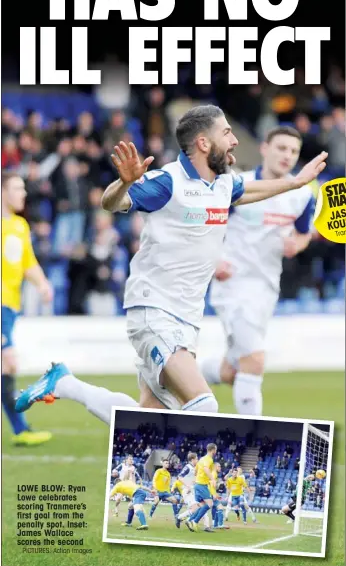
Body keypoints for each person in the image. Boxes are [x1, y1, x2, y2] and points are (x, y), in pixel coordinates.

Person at [15, 107, 328, 422]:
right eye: (227, 133)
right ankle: (250, 453)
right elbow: (112, 202)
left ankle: (65, 384)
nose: (234, 141)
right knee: (204, 405)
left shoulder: (222, 183)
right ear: (204, 143)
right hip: (155, 309)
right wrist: (123, 183)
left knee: (149, 419)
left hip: (187, 317)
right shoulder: (168, 182)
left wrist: (295, 183)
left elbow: (250, 190)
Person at [202, 125, 317, 416]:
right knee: (254, 361)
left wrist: (298, 245)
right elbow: (207, 225)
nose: (287, 155)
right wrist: (214, 260)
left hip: (266, 288)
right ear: (264, 148)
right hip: (233, 286)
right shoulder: (239, 185)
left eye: (293, 151)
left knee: (232, 372)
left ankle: (179, 376)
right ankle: (253, 444)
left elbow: (303, 233)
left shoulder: (302, 196)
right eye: (281, 148)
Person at [1, 173, 54, 446]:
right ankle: (21, 429)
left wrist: (43, 284)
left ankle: (21, 430)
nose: (23, 193)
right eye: (16, 188)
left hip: (10, 306)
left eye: (23, 188)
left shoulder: (20, 225)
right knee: (8, 362)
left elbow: (27, 262)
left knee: (6, 366)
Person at [186, 443, 217, 532]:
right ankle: (195, 521)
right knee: (210, 504)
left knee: (202, 505)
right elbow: (206, 469)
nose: (216, 451)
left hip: (197, 484)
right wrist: (212, 479)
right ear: (213, 450)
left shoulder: (201, 459)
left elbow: (195, 471)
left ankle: (189, 520)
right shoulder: (209, 459)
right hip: (202, 485)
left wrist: (199, 477)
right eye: (215, 449)